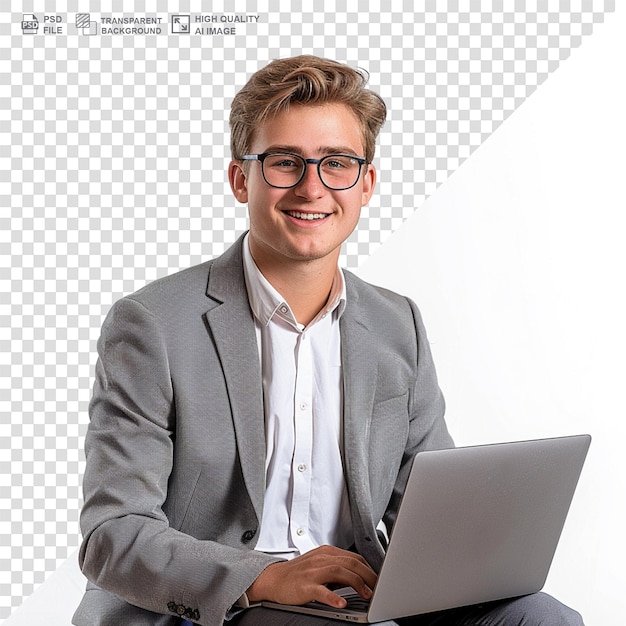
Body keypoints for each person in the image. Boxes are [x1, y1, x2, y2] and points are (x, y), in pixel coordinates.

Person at [73, 56, 584, 626]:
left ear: (365, 184)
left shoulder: (398, 325)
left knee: (541, 619)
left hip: (354, 600)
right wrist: (263, 575)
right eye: (284, 162)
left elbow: (431, 511)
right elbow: (112, 533)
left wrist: (473, 555)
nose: (311, 187)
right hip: (220, 608)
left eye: (336, 163)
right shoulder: (152, 324)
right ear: (241, 178)